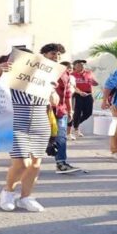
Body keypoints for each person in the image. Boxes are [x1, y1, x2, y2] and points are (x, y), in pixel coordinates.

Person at [0, 47, 52, 212]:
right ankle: (8, 191)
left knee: (35, 164)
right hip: (15, 121)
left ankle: (26, 197)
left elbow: (53, 100)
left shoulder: (43, 77)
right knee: (21, 163)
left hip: (40, 121)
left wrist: (52, 91)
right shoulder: (7, 76)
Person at [43, 46, 82, 174]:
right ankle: (23, 163)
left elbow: (67, 94)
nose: (56, 56)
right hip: (40, 110)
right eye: (53, 53)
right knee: (36, 137)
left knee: (61, 137)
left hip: (60, 110)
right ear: (44, 54)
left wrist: (70, 110)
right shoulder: (37, 70)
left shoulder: (63, 72)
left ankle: (61, 163)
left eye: (58, 54)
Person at [70, 59, 98, 139]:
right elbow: (72, 86)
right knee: (77, 112)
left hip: (88, 94)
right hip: (77, 94)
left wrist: (94, 82)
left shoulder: (89, 73)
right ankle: (76, 128)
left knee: (88, 113)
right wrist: (79, 92)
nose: (81, 66)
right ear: (74, 66)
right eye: (78, 65)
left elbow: (94, 82)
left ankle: (74, 124)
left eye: (82, 65)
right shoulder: (72, 75)